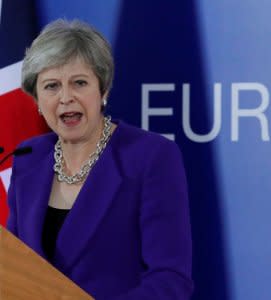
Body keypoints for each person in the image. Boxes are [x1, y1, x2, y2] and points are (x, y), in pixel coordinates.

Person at [6, 19, 193, 299]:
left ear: (103, 90)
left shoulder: (151, 157)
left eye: (79, 83)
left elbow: (171, 279)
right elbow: (12, 268)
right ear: (37, 102)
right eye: (51, 86)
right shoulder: (28, 158)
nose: (66, 97)